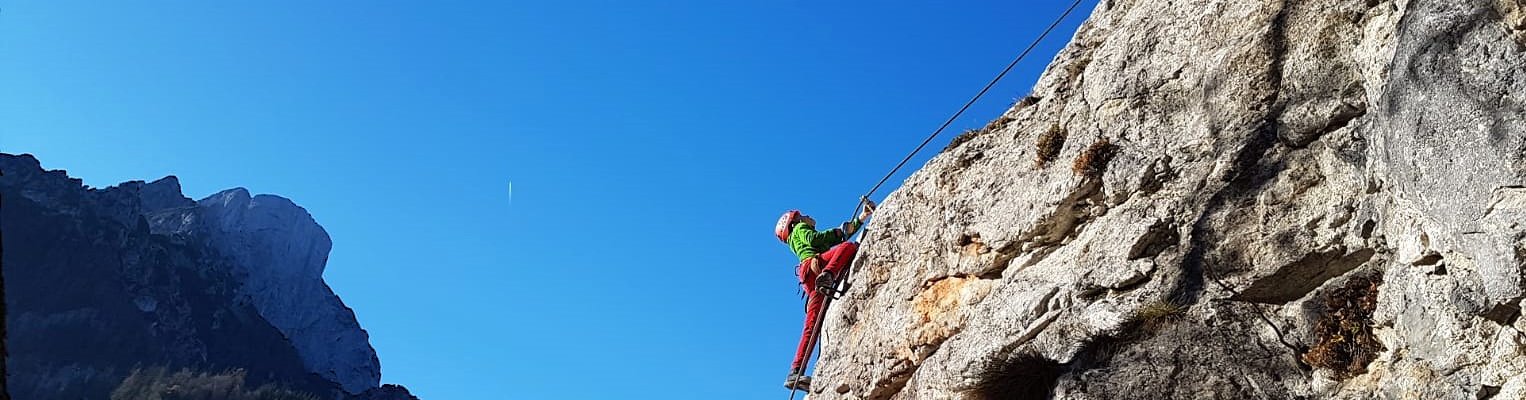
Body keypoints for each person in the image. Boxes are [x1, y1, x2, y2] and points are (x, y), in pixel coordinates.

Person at [774, 201, 875, 391]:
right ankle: (829, 274)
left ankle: (795, 371)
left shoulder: (796, 237)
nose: (806, 216)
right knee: (848, 248)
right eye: (801, 216)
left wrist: (861, 218)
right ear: (794, 222)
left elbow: (828, 239)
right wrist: (838, 233)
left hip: (809, 279)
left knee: (811, 326)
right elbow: (817, 240)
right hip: (816, 268)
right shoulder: (800, 229)